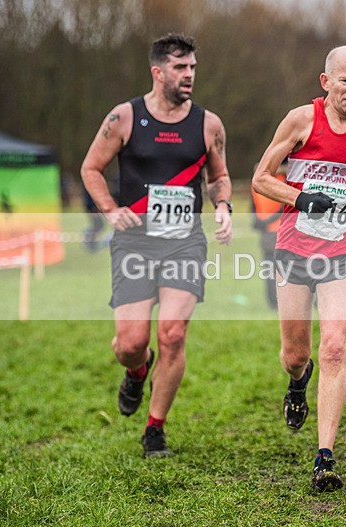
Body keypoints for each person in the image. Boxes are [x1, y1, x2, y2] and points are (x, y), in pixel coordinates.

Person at [251, 45, 346, 492]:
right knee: (295, 354)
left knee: (335, 348)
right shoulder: (300, 120)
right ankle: (298, 382)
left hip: (345, 251)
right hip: (295, 250)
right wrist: (300, 198)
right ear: (326, 82)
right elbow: (261, 178)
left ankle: (325, 456)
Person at [80, 33, 233, 458]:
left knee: (172, 334)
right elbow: (91, 167)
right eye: (181, 68)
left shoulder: (208, 124)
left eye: (193, 68)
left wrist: (223, 205)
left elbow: (218, 176)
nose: (189, 75)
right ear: (158, 71)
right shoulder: (124, 118)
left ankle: (155, 428)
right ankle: (136, 371)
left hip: (184, 245)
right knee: (130, 343)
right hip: (133, 243)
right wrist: (111, 210)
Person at [251, 160, 287, 309]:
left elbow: (252, 208)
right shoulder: (282, 182)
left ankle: (273, 301)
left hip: (267, 231)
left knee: (269, 268)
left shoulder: (256, 185)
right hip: (279, 231)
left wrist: (259, 222)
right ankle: (278, 301)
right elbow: (284, 207)